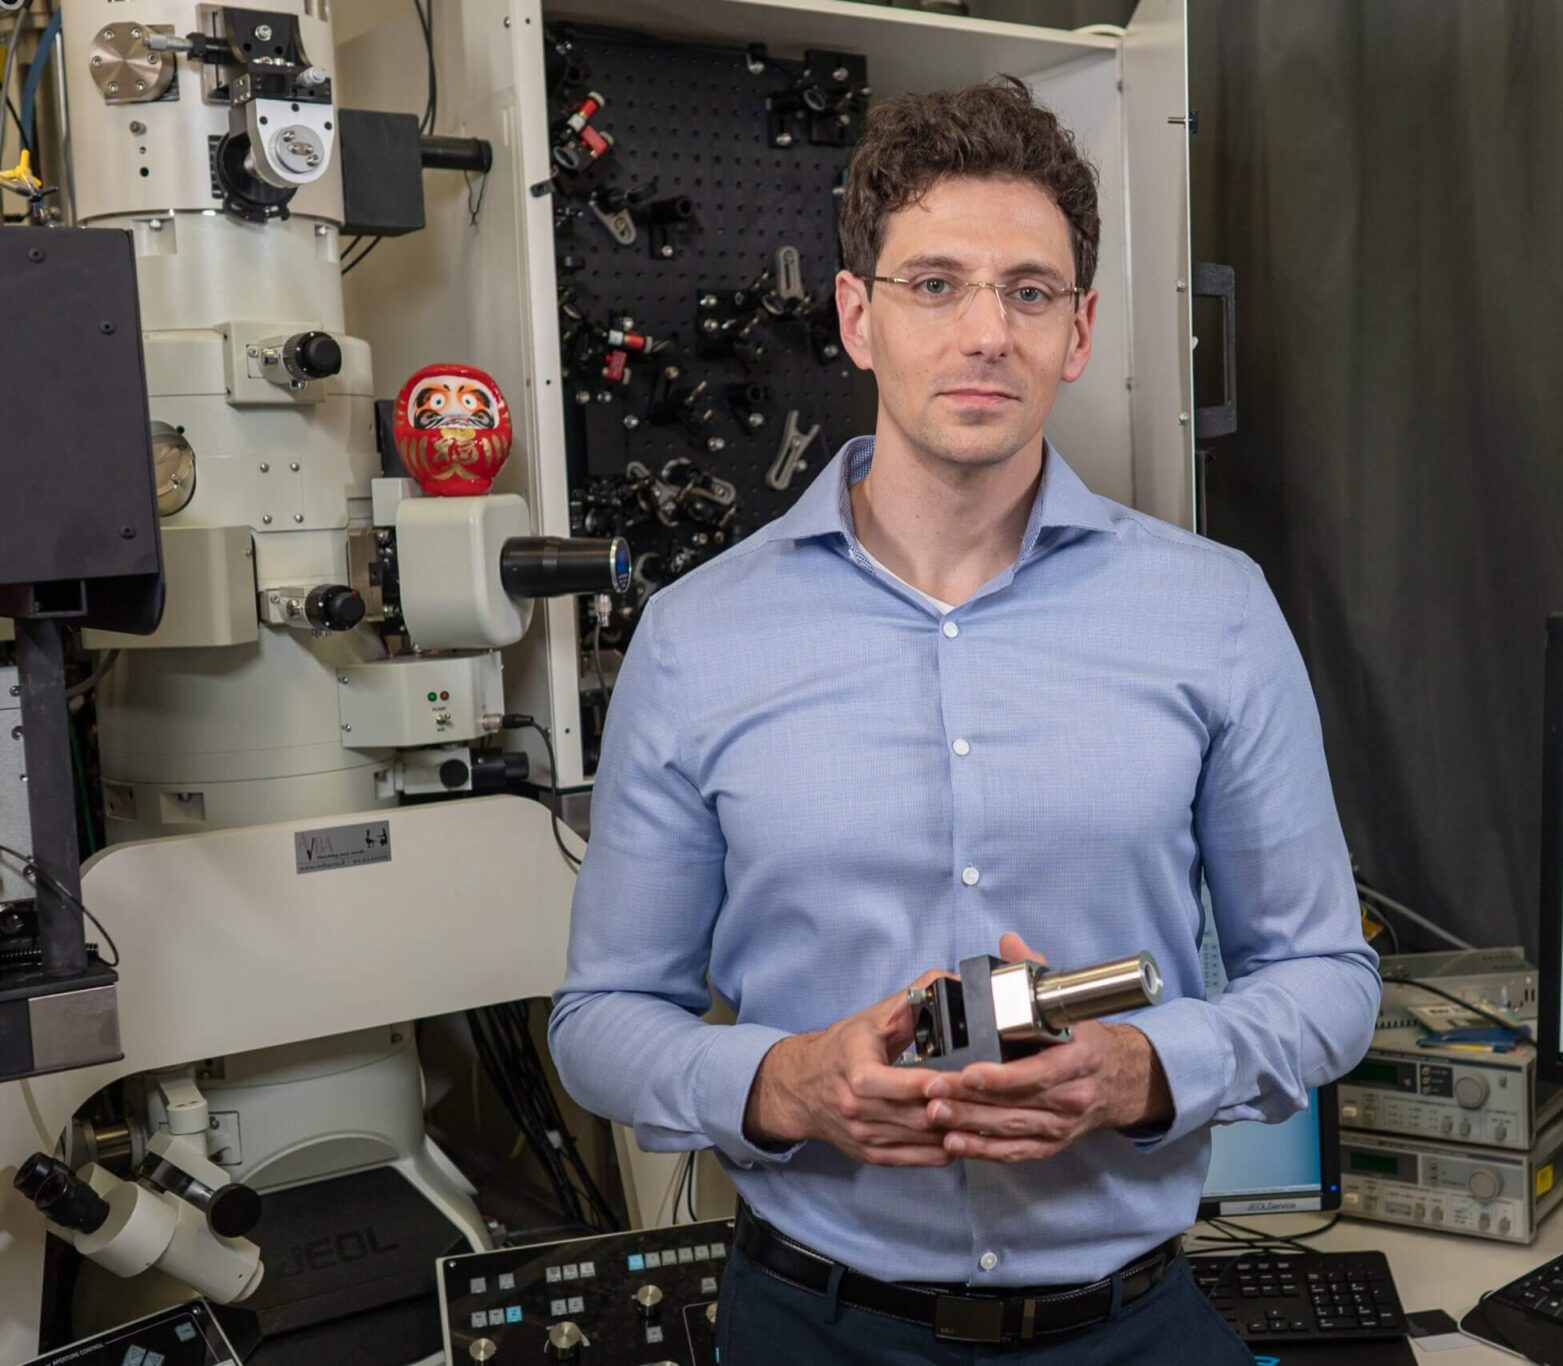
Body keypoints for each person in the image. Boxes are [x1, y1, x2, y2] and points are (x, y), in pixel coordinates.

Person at [549, 76, 1380, 1364]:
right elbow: (603, 1019)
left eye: (1029, 292)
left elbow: (1328, 983)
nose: (986, 331)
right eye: (934, 284)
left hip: (1132, 1325)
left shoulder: (1213, 611)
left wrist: (1143, 1071)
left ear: (1082, 329)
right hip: (812, 1326)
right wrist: (784, 1086)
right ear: (856, 317)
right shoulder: (701, 636)